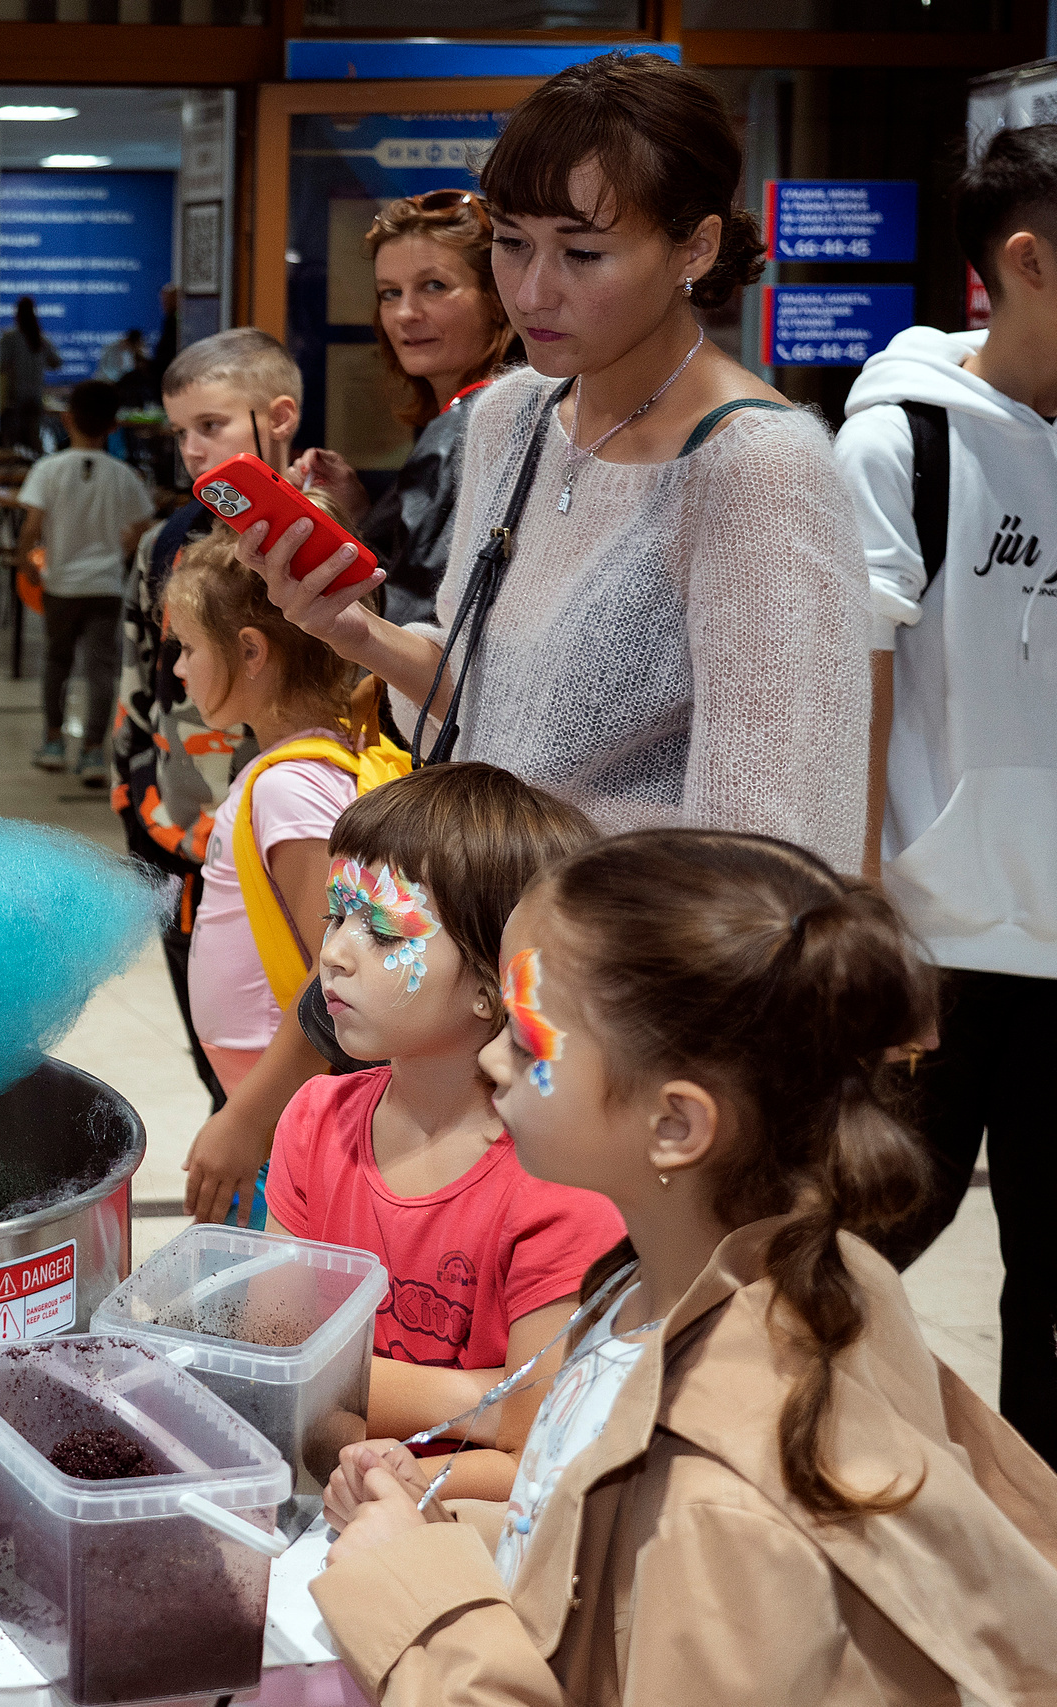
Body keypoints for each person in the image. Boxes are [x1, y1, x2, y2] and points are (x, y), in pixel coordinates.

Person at [316, 829, 1057, 1705]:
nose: (490, 1055)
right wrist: (437, 1526)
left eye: (531, 1039)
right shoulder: (666, 1288)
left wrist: (416, 1601)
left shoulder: (723, 1504)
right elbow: (601, 1566)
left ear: (676, 1124)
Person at [244, 52, 867, 874]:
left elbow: (776, 844)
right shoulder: (512, 415)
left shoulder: (757, 468)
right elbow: (480, 711)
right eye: (511, 242)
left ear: (695, 247)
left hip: (624, 944)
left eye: (583, 254)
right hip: (480, 919)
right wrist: (355, 632)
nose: (532, 291)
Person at [836, 122, 1057, 1460]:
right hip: (935, 945)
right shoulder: (900, 442)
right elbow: (852, 707)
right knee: (854, 1251)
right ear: (1026, 261)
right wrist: (865, 931)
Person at [267, 763, 620, 1499]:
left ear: (495, 984)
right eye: (336, 915)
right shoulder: (314, 1122)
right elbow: (275, 1364)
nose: (333, 952)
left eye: (382, 928)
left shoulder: (559, 1181)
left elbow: (535, 1452)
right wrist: (480, 1398)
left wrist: (388, 1465)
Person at [109, 327, 298, 1115]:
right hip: (176, 829)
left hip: (283, 837)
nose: (191, 448)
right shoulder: (166, 542)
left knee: (291, 1050)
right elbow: (135, 681)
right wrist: (132, 795)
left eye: (211, 425)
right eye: (179, 430)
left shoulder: (315, 536)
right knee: (211, 1044)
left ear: (278, 417)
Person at [166, 505, 385, 1102]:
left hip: (283, 1090)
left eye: (187, 647)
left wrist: (245, 1121)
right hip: (269, 1084)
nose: (179, 668)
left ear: (251, 652)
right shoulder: (288, 772)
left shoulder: (291, 786)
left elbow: (334, 967)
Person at [298, 189, 517, 628]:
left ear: (498, 300)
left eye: (434, 286)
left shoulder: (473, 423)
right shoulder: (482, 416)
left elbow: (409, 625)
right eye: (389, 293)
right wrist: (358, 515)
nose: (405, 313)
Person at [18, 379, 153, 784]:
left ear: (66, 419)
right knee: (101, 669)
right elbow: (142, 526)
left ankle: (53, 742)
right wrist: (120, 550)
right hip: (106, 587)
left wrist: (25, 563)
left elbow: (31, 528)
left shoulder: (48, 469)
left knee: (56, 662)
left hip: (60, 585)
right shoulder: (124, 475)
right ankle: (94, 751)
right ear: (114, 426)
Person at [0, 294, 62, 452]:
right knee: (33, 440)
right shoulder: (40, 338)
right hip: (35, 396)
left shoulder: (10, 337)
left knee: (10, 444)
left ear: (17, 314)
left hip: (13, 398)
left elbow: (0, 364)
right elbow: (56, 363)